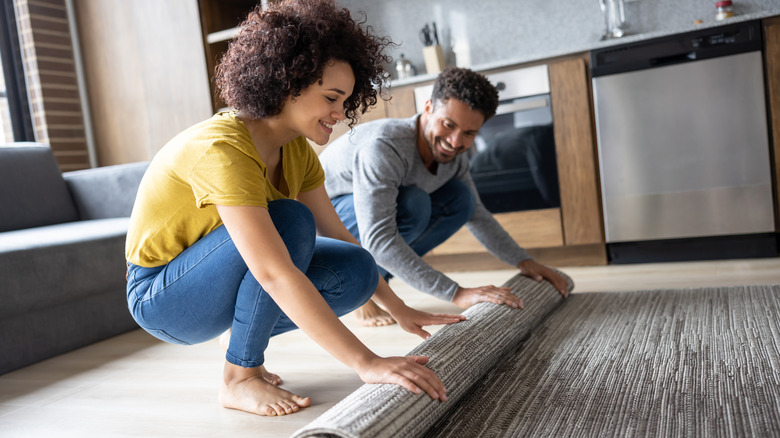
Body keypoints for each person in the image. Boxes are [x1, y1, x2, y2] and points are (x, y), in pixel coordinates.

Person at [124, 0, 464, 418]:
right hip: (162, 299)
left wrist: (400, 308)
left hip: (213, 282)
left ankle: (240, 342)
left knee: (355, 268)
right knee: (290, 220)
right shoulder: (222, 148)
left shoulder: (296, 151)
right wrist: (367, 362)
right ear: (287, 82)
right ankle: (240, 376)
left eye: (346, 100)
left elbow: (339, 235)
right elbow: (272, 271)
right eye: (332, 98)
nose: (341, 114)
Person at [319, 66, 570, 325]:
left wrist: (523, 261)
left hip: (368, 225)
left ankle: (376, 282)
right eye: (448, 125)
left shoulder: (454, 160)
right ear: (428, 108)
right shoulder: (384, 148)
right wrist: (456, 293)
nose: (454, 141)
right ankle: (362, 291)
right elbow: (379, 240)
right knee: (414, 204)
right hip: (325, 228)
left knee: (461, 199)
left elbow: (478, 215)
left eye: (469, 133)